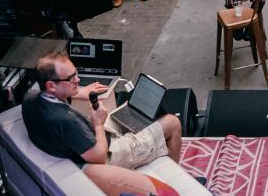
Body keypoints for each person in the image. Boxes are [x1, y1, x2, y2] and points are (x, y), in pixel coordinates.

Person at [22, 51, 182, 168]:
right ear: (51, 85)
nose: (77, 80)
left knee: (129, 109)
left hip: (89, 137)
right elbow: (99, 157)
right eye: (71, 79)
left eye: (76, 74)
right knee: (172, 122)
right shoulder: (65, 120)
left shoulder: (30, 98)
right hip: (107, 153)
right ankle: (175, 176)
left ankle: (153, 143)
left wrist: (77, 92)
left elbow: (58, 96)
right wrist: (98, 124)